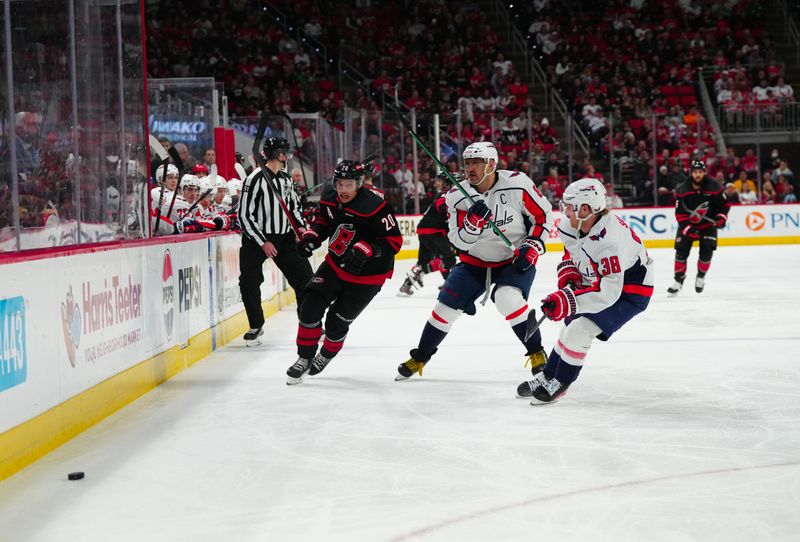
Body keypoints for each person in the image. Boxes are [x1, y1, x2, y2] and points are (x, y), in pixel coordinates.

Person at [395, 141, 553, 381]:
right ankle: (421, 356)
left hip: (514, 259)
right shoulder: (456, 196)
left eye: (477, 162)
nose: (470, 168)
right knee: (443, 310)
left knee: (507, 299)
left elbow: (543, 216)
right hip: (474, 262)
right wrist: (472, 225)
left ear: (491, 164)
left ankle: (537, 352)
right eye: (467, 163)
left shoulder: (517, 183)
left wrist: (532, 246)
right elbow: (459, 241)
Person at [513, 181, 654, 405]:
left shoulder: (610, 242)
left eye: (570, 206)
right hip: (598, 282)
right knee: (568, 328)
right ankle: (548, 375)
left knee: (580, 330)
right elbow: (572, 253)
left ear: (586, 209)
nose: (565, 210)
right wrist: (569, 277)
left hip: (630, 291)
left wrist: (567, 300)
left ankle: (561, 383)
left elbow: (609, 293)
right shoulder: (573, 225)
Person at [286, 160, 402, 384]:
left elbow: (394, 242)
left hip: (368, 275)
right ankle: (304, 357)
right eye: (339, 184)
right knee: (309, 305)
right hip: (336, 264)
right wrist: (313, 236)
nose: (342, 190)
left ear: (359, 183)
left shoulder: (375, 205)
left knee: (336, 323)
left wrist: (368, 249)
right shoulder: (330, 197)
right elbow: (324, 222)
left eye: (348, 185)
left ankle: (327, 354)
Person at [238, 137, 314, 345]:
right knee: (248, 282)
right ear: (280, 155)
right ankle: (256, 325)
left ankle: (309, 323)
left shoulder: (286, 180)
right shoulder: (253, 179)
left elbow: (295, 210)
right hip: (256, 240)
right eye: (286, 153)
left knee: (306, 279)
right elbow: (244, 215)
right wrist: (263, 241)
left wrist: (304, 232)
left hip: (285, 239)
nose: (288, 157)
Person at [667, 160, 730, 296]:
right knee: (680, 253)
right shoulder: (682, 189)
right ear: (691, 173)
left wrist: (721, 217)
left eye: (700, 172)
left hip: (708, 226)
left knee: (706, 253)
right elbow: (680, 214)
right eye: (695, 172)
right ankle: (678, 281)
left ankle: (701, 276)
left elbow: (724, 205)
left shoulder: (714, 187)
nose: (698, 174)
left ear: (704, 173)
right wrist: (688, 229)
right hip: (688, 225)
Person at [398, 172, 459, 296]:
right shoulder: (446, 195)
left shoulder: (446, 195)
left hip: (427, 231)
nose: (436, 183)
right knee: (449, 259)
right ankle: (424, 273)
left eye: (439, 181)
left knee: (424, 260)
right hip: (433, 232)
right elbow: (442, 207)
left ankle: (406, 285)